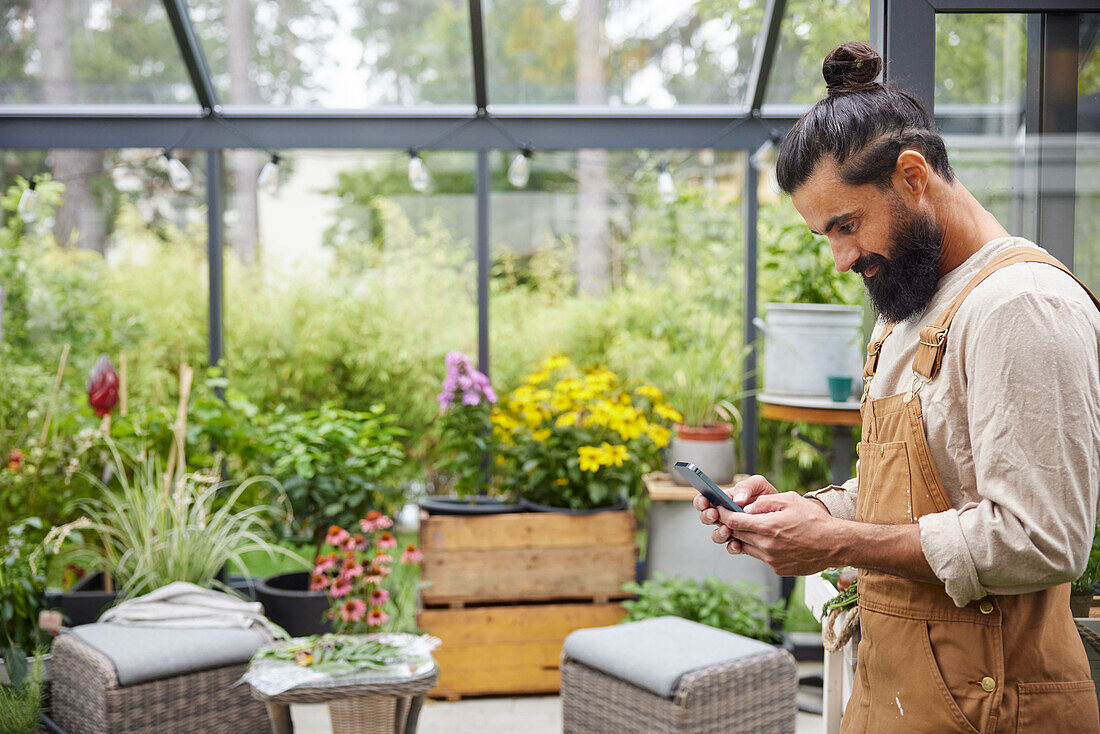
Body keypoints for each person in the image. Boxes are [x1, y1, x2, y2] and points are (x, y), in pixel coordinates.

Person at [695, 41, 1100, 732]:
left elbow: (1043, 539)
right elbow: (922, 490)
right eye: (826, 235)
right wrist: (811, 511)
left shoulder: (1020, 305)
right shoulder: (913, 311)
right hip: (901, 697)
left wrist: (837, 543)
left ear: (912, 176)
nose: (841, 257)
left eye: (845, 226)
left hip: (991, 708)